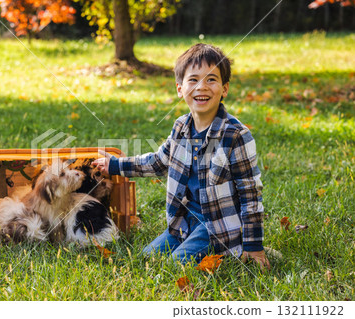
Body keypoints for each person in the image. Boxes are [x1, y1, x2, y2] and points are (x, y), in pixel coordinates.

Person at [92, 43, 270, 270]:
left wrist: (254, 245)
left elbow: (250, 193)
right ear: (180, 88)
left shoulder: (236, 135)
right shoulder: (180, 127)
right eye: (193, 80)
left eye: (211, 79)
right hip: (184, 221)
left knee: (177, 264)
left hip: (217, 225)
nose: (201, 87)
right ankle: (196, 243)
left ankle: (233, 246)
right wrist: (115, 165)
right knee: (147, 258)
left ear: (224, 89)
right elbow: (158, 162)